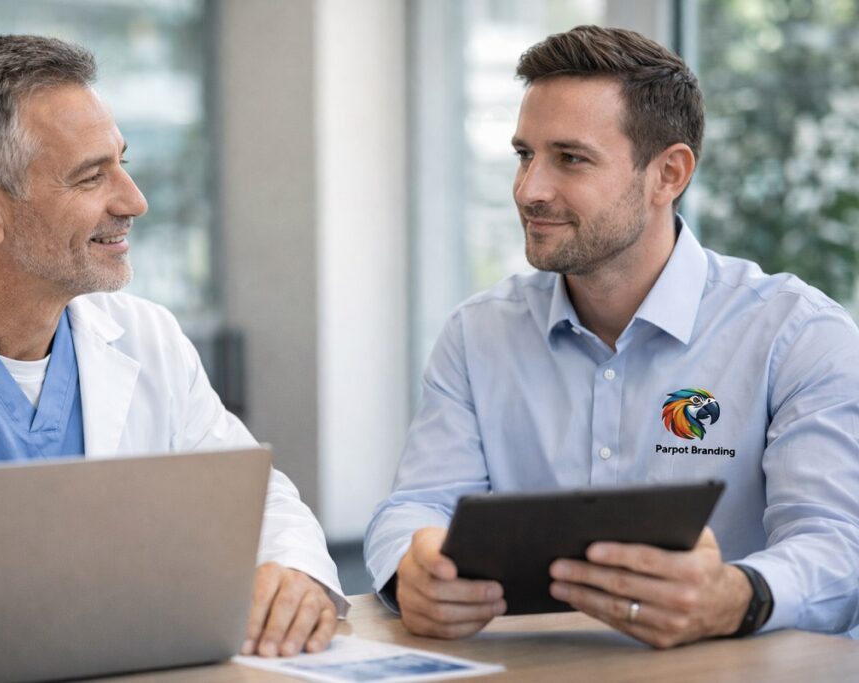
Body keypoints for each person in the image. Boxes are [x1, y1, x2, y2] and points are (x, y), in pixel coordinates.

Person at [0, 35, 347, 655]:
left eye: (122, 162)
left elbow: (257, 502)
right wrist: (124, 584)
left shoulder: (146, 336)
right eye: (90, 177)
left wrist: (292, 574)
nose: (133, 201)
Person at [364, 25, 859, 648]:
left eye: (570, 158)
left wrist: (736, 595)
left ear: (668, 174)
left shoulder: (797, 335)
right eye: (524, 154)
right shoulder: (478, 333)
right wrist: (411, 568)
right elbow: (415, 506)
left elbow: (838, 547)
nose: (528, 190)